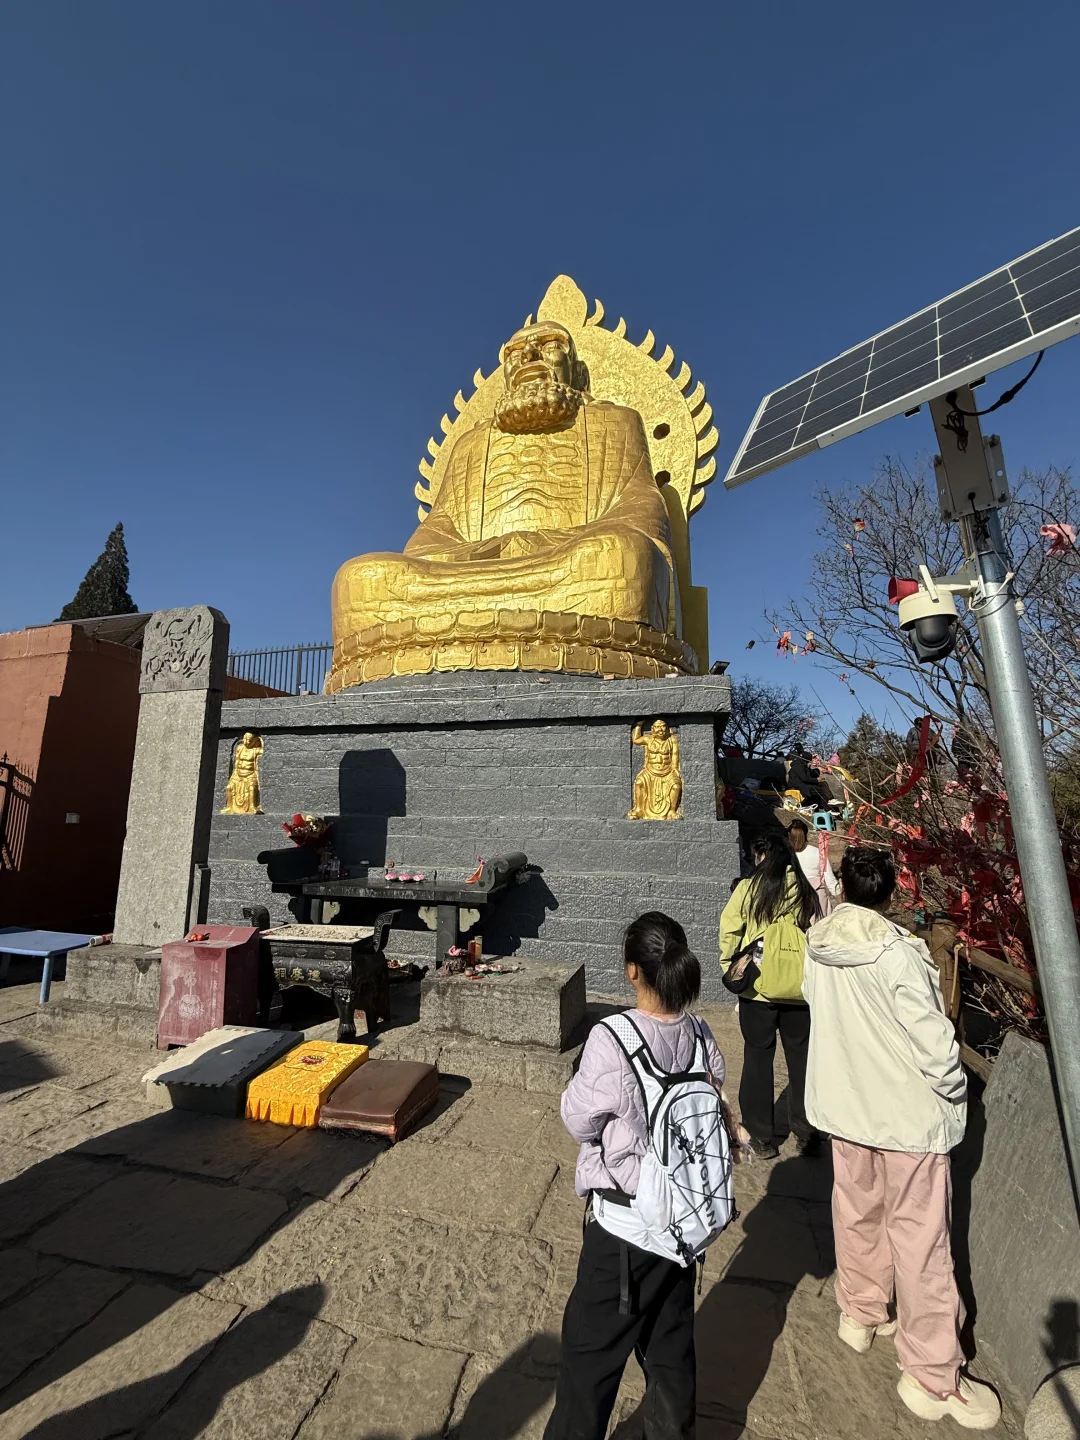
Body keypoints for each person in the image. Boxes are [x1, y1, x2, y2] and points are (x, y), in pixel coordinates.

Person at [802, 848, 1001, 1430]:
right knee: (921, 1239)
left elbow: (819, 1006)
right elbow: (936, 1049)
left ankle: (861, 1313)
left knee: (856, 1210)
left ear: (843, 885)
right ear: (892, 893)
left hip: (846, 1107)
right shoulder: (897, 955)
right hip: (905, 1118)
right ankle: (933, 1374)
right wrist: (954, 1091)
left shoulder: (820, 944)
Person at [543, 911, 741, 1440]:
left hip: (625, 1230)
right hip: (683, 1223)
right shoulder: (701, 1032)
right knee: (671, 1345)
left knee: (589, 1360)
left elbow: (576, 1117)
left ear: (634, 971)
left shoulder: (614, 1037)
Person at [720, 832, 821, 1160]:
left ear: (762, 854)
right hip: (798, 986)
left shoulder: (751, 887)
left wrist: (734, 966)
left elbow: (729, 927)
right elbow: (816, 927)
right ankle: (807, 1130)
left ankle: (761, 1136)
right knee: (802, 1058)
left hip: (759, 985)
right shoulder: (802, 887)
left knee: (758, 1058)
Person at [788, 817, 839, 915]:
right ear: (806, 834)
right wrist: (842, 902)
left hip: (794, 898)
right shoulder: (817, 853)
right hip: (818, 900)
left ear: (789, 836)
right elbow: (830, 881)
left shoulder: (786, 855)